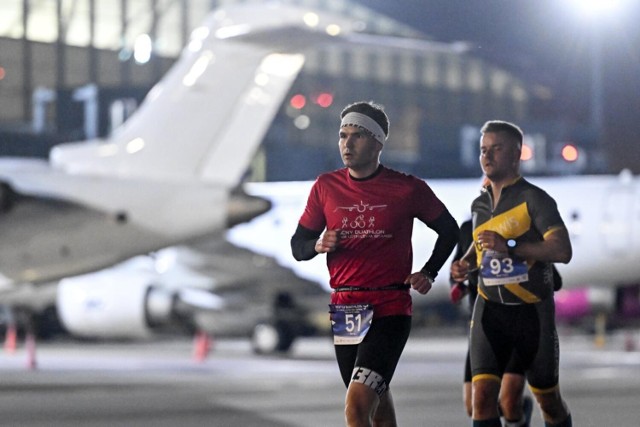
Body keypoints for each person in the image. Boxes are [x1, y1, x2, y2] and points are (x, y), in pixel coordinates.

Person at [290, 101, 459, 427]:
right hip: (345, 310)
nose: (347, 144)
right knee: (376, 407)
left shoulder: (407, 188)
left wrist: (429, 271)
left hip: (389, 308)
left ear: (379, 143)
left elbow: (449, 230)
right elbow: (298, 247)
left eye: (358, 136)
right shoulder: (325, 187)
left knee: (356, 407)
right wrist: (317, 244)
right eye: (342, 135)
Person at [450, 120, 573, 427]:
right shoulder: (479, 204)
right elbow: (481, 247)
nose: (487, 156)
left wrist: (513, 247)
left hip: (531, 314)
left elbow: (562, 250)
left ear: (516, 154)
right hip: (489, 310)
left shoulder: (535, 198)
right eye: (482, 150)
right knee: (481, 400)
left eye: (496, 149)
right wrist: (465, 264)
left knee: (549, 401)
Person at [450, 218, 533, 426]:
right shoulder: (468, 228)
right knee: (474, 405)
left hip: (517, 322)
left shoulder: (521, 226)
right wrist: (458, 281)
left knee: (508, 401)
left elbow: (551, 277)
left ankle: (518, 415)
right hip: (482, 327)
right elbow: (458, 266)